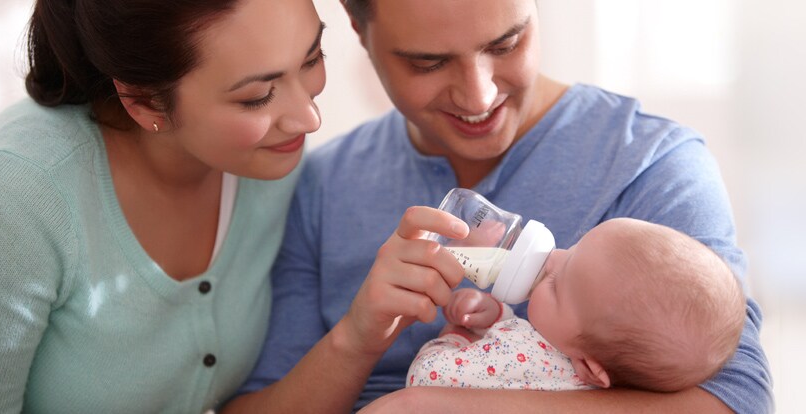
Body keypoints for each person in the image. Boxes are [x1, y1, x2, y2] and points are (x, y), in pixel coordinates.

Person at [238, 0, 773, 413]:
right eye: (429, 62)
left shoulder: (648, 163)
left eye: (507, 43)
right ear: (361, 33)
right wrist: (355, 339)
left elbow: (733, 400)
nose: (478, 96)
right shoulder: (323, 184)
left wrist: (426, 405)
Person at [0, 0, 328, 411]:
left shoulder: (270, 157)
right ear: (143, 101)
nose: (309, 117)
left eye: (313, 58)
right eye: (257, 96)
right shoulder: (16, 198)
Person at [408, 218, 745, 393]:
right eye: (572, 249)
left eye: (555, 285)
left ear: (588, 367)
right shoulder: (571, 367)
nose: (552, 257)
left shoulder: (527, 355)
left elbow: (426, 378)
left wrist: (454, 335)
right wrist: (495, 317)